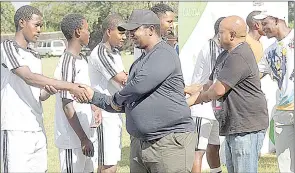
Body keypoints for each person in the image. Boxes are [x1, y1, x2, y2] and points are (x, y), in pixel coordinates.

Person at [80, 9, 197, 173]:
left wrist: (114, 100)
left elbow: (137, 86)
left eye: (135, 30)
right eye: (129, 31)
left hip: (168, 143)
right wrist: (95, 97)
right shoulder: (140, 61)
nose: (130, 34)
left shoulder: (163, 53)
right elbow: (129, 101)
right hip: (141, 144)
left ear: (151, 29)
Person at [0, 5, 90, 172]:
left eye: (41, 25)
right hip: (15, 128)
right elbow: (28, 77)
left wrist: (50, 88)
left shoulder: (34, 55)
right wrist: (70, 86)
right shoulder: (7, 47)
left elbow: (39, 95)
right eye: (37, 25)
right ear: (21, 23)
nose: (40, 30)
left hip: (37, 128)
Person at [187, 16, 269, 173]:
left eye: (220, 32)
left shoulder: (239, 55)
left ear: (232, 35)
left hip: (246, 126)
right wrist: (185, 100)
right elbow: (208, 86)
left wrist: (193, 100)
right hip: (234, 124)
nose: (218, 35)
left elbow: (217, 90)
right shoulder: (224, 55)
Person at [54, 13, 100, 172]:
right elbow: (66, 104)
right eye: (87, 29)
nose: (90, 33)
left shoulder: (81, 59)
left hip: (86, 137)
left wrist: (94, 108)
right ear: (78, 32)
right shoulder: (68, 62)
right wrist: (83, 138)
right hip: (73, 141)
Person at [254, 11, 294, 173]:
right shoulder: (269, 51)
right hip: (283, 111)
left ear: (277, 20)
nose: (263, 29)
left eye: (265, 23)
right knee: (285, 162)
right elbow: (255, 75)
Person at [88, 13, 127, 173]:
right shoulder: (101, 53)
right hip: (104, 114)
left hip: (115, 113)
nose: (124, 37)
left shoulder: (115, 53)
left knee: (111, 163)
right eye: (121, 32)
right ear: (109, 31)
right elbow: (122, 79)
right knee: (107, 166)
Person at [185, 17, 225, 173]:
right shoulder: (211, 48)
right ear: (220, 32)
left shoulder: (219, 48)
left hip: (213, 107)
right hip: (202, 107)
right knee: (198, 151)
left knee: (214, 146)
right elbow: (215, 78)